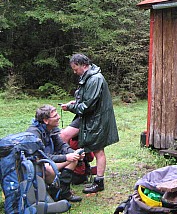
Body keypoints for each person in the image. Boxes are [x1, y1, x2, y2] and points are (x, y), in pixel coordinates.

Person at [60, 53, 119, 194]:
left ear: (84, 66)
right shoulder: (88, 77)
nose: (75, 72)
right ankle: (66, 171)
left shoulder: (95, 79)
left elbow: (88, 106)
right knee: (63, 136)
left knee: (98, 149)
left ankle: (99, 182)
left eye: (76, 69)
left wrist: (70, 107)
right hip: (86, 117)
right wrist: (75, 103)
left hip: (96, 119)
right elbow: (86, 100)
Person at [26, 105, 83, 202]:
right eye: (55, 116)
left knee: (74, 158)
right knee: (49, 169)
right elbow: (41, 156)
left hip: (48, 161)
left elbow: (61, 145)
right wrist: (66, 157)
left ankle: (64, 192)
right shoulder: (34, 133)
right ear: (46, 120)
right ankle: (53, 192)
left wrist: (73, 153)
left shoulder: (51, 129)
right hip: (36, 165)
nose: (59, 117)